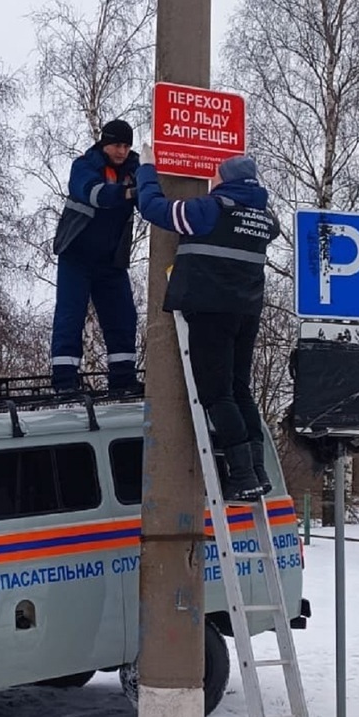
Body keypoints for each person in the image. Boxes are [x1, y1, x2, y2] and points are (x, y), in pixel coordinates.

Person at [135, 146, 280, 501]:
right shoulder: (265, 219)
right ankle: (257, 471)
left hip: (209, 310)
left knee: (216, 394)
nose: (211, 179)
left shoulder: (208, 211)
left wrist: (147, 169)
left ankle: (243, 475)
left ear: (226, 179)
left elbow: (154, 208)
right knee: (239, 390)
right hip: (246, 313)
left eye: (216, 175)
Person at [50, 119, 142, 395]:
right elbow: (93, 193)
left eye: (126, 146)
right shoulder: (84, 166)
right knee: (71, 315)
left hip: (111, 260)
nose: (122, 151)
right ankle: (65, 382)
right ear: (105, 143)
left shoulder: (135, 168)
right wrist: (130, 192)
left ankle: (123, 379)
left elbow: (152, 190)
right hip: (76, 255)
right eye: (117, 145)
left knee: (123, 317)